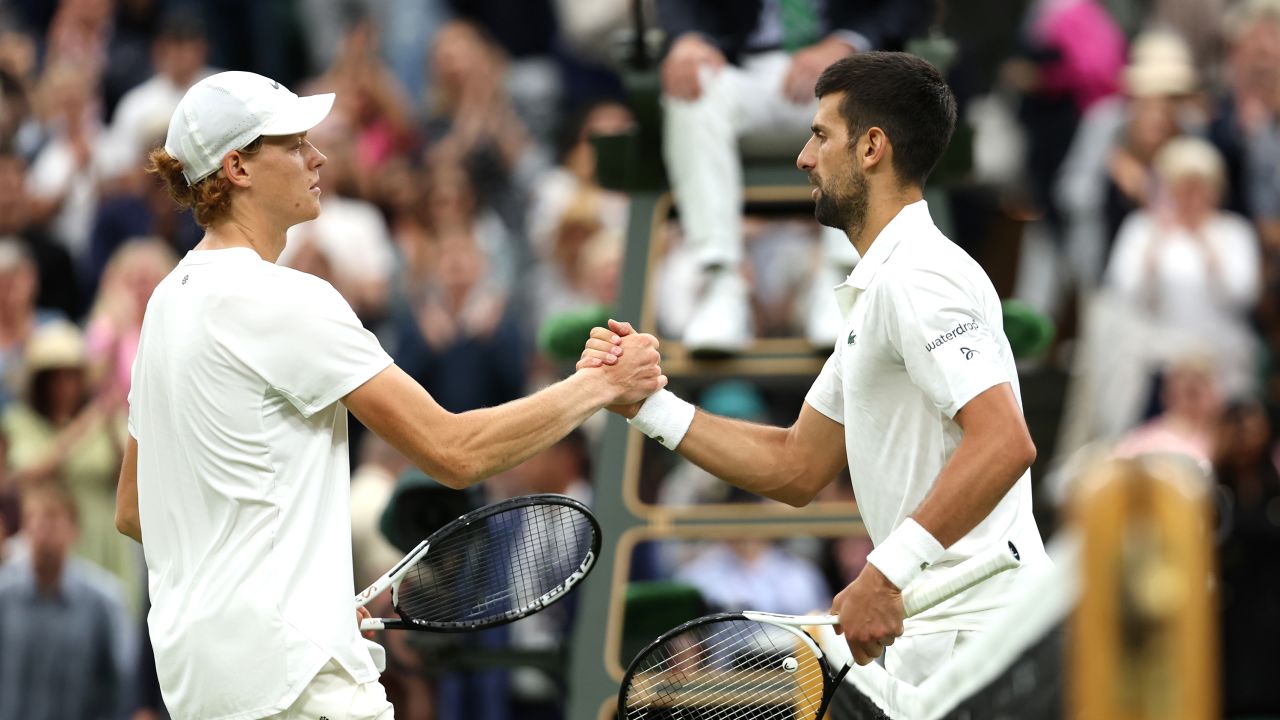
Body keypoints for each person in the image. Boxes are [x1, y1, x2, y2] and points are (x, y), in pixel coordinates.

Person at [114, 70, 666, 720]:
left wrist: (300, 587)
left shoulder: (166, 306)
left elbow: (136, 509)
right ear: (237, 167)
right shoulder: (288, 299)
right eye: (293, 146)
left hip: (204, 685)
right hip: (298, 684)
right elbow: (453, 451)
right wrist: (599, 385)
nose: (317, 157)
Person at [581, 53, 1049, 685]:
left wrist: (883, 575)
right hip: (949, 640)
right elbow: (798, 465)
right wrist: (645, 404)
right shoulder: (889, 282)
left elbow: (1004, 441)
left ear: (872, 148)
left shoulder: (919, 278)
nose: (804, 156)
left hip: (981, 639)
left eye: (821, 135)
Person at [656, 0, 932, 352]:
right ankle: (721, 284)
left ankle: (842, 282)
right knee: (691, 92)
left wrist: (848, 42)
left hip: (846, 67)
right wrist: (686, 38)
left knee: (862, 95)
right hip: (738, 65)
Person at [0, 483, 136, 720]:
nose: (40, 528)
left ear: (74, 529)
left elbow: (123, 683)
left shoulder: (103, 602)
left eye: (51, 518)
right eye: (31, 518)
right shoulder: (4, 597)